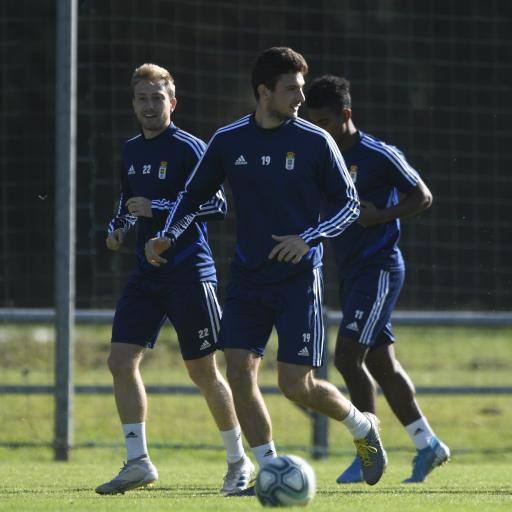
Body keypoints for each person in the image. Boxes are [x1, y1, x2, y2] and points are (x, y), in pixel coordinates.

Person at [145, 47, 387, 485]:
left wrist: (307, 238)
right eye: (291, 89)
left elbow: (349, 204)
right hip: (247, 280)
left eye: (300, 88)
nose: (300, 98)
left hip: (299, 280)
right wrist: (167, 233)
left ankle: (362, 426)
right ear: (263, 92)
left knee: (296, 385)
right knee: (238, 371)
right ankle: (268, 468)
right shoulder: (228, 140)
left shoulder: (315, 141)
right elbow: (192, 195)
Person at [97, 64, 253, 496]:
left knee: (202, 372)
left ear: (172, 103)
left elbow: (217, 204)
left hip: (189, 273)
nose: (150, 105)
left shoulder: (190, 148)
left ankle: (239, 463)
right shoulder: (130, 150)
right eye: (142, 98)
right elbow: (131, 203)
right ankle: (138, 462)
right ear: (134, 104)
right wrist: (119, 227)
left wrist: (160, 208)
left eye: (157, 98)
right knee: (120, 361)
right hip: (146, 274)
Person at [305, 75, 448, 484]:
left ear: (346, 115)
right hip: (351, 273)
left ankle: (369, 450)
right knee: (382, 364)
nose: (320, 130)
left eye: (326, 122)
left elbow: (423, 196)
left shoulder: (379, 154)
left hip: (380, 268)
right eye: (313, 123)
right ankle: (427, 444)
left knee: (347, 357)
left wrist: (381, 216)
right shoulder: (321, 155)